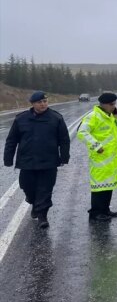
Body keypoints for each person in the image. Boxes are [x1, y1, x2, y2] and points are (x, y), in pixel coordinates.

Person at [3, 91, 70, 229]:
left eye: (45, 101)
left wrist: (64, 157)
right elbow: (11, 140)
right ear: (33, 104)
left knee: (45, 190)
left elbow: (64, 140)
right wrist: (8, 158)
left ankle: (42, 216)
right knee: (27, 187)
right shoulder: (21, 119)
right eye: (39, 102)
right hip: (27, 161)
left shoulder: (56, 118)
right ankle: (34, 202)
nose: (43, 104)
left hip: (48, 161)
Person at [77, 93, 117, 222]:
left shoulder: (110, 116)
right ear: (103, 104)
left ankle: (105, 210)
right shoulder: (93, 116)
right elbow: (81, 132)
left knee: (108, 185)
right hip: (99, 158)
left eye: (114, 104)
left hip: (111, 158)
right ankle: (95, 213)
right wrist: (96, 145)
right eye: (111, 104)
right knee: (99, 187)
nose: (114, 106)